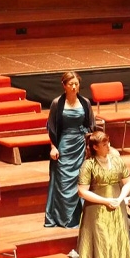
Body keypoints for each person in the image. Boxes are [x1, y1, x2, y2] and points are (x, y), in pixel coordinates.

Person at [77, 130, 130, 258]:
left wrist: (120, 198)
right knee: (101, 246)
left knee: (118, 244)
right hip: (96, 212)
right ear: (95, 147)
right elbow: (82, 192)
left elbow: (127, 182)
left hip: (117, 210)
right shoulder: (88, 165)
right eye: (103, 144)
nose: (107, 146)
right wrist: (105, 200)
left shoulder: (117, 160)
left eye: (108, 142)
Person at [45, 71, 94, 228]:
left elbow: (91, 125)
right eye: (70, 84)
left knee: (81, 179)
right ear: (64, 86)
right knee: (64, 182)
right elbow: (51, 128)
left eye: (76, 84)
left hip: (80, 145)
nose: (74, 87)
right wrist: (53, 147)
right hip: (64, 145)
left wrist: (89, 145)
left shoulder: (85, 102)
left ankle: (81, 217)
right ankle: (64, 218)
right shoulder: (56, 103)